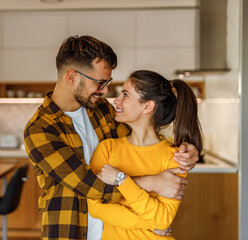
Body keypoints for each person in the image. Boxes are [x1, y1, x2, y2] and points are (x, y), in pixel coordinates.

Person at [24, 35, 199, 240]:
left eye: (108, 82)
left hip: (116, 232)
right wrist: (151, 184)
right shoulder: (41, 129)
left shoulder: (102, 110)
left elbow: (141, 147)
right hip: (70, 232)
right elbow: (89, 185)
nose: (105, 91)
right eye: (99, 83)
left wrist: (187, 150)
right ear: (72, 77)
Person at [87, 70, 203, 239]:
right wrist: (149, 224)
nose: (117, 101)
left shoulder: (176, 157)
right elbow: (96, 207)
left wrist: (122, 180)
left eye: (125, 94)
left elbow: (163, 219)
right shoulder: (107, 148)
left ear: (147, 106)